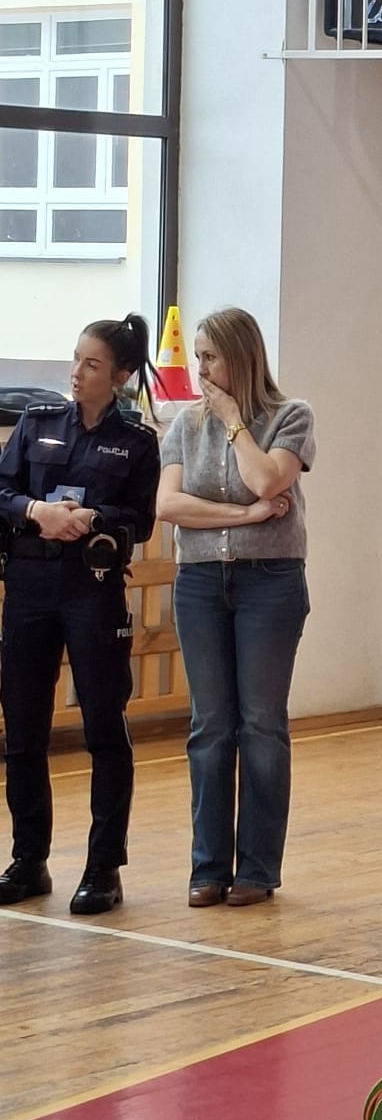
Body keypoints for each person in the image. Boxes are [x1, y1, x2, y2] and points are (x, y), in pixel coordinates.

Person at [0, 316, 161, 914]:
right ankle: (28, 860)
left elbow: (141, 521)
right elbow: (1, 491)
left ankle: (102, 869)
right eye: (75, 360)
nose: (76, 373)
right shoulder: (37, 422)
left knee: (103, 728)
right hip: (30, 584)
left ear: (120, 376)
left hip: (91, 590)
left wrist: (95, 520)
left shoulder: (137, 441)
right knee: (23, 728)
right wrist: (35, 511)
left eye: (92, 365)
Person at [155, 308, 314, 908]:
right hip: (199, 581)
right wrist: (245, 516)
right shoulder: (183, 424)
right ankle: (207, 867)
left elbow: (268, 479)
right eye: (197, 356)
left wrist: (232, 422)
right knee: (210, 725)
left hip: (269, 581)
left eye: (210, 357)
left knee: (262, 723)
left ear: (240, 357)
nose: (201, 368)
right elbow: (169, 506)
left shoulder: (290, 415)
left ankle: (257, 870)